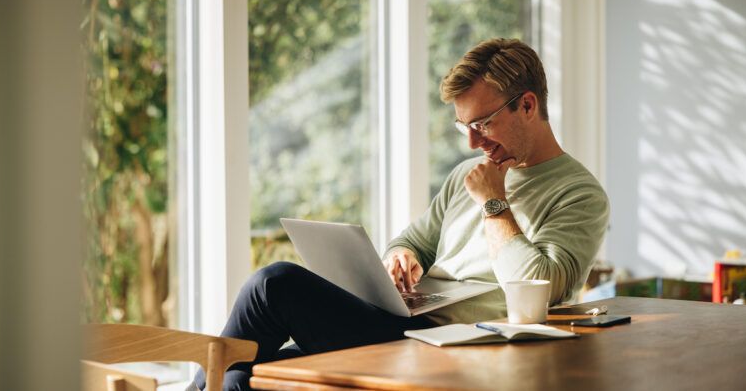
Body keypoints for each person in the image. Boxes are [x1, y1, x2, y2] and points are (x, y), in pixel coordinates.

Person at [190, 38, 609, 390]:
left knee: (274, 284)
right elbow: (414, 241)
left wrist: (493, 203)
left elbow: (546, 287)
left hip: (460, 344)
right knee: (243, 377)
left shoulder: (580, 194)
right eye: (463, 127)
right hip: (403, 323)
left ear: (528, 105)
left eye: (482, 123)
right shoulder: (467, 174)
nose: (471, 143)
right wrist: (400, 257)